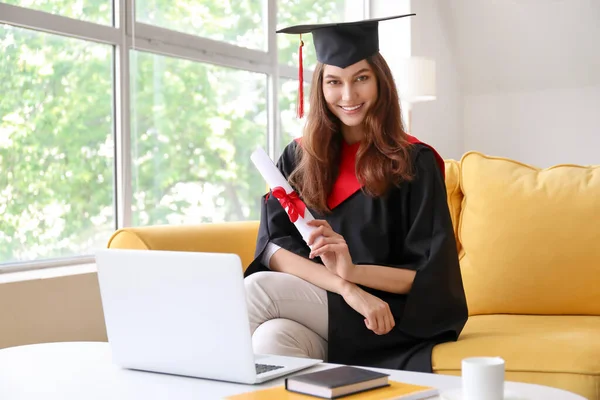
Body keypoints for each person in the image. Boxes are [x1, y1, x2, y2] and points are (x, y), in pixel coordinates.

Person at [243, 14, 468, 373]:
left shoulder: (414, 162)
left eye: (361, 78)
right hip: (339, 304)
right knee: (272, 338)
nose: (348, 96)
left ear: (380, 82)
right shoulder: (297, 157)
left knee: (256, 292)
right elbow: (274, 251)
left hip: (392, 314)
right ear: (321, 87)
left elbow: (428, 275)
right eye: (334, 82)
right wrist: (348, 288)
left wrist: (355, 273)